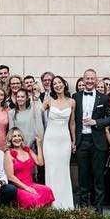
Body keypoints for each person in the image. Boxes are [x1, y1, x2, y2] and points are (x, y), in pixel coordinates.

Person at [74, 70, 110, 210]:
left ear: (96, 81)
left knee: (98, 177)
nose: (89, 81)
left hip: (98, 142)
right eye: (87, 78)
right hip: (82, 141)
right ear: (83, 80)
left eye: (92, 79)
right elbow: (72, 121)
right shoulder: (75, 97)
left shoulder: (103, 98)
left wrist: (95, 122)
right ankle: (83, 207)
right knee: (83, 176)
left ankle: (99, 207)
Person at [40, 76, 76, 210]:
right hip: (50, 139)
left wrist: (73, 141)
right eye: (54, 83)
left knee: (63, 170)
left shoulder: (72, 102)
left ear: (64, 84)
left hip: (64, 140)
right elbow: (38, 113)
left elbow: (72, 123)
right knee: (51, 170)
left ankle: (66, 204)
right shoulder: (49, 100)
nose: (57, 85)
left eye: (59, 82)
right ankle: (52, 203)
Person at [3, 127, 53, 208]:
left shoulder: (27, 150)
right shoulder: (8, 153)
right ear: (10, 139)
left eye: (19, 136)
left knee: (47, 191)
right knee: (33, 199)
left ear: (22, 138)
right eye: (14, 136)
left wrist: (38, 145)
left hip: (31, 184)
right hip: (19, 187)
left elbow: (40, 163)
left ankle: (45, 218)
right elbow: (10, 176)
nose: (17, 138)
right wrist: (26, 188)